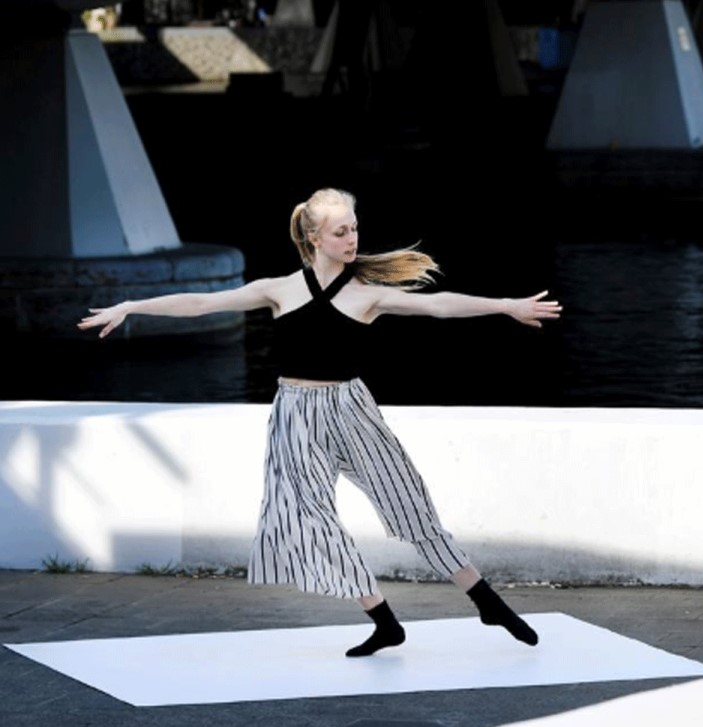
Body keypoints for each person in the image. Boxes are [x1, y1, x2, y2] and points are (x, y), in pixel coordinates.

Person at [78, 187, 562, 657]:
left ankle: (487, 603)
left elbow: (438, 305)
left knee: (409, 505)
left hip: (352, 408)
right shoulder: (278, 290)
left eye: (354, 229)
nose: (351, 240)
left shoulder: (366, 294)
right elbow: (202, 303)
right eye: (340, 232)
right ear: (315, 238)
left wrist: (505, 306)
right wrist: (130, 306)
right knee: (309, 518)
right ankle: (384, 620)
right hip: (295, 414)